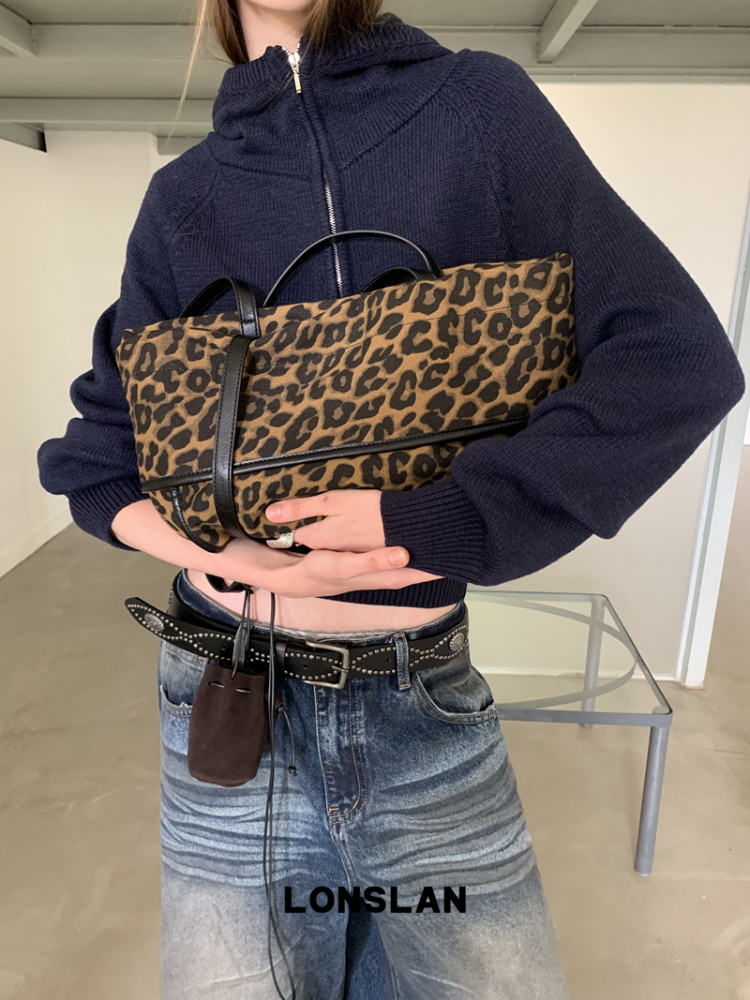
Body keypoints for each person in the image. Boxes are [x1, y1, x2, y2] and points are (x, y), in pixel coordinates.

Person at [37, 1, 745, 998]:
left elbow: (675, 361)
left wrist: (430, 518)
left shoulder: (478, 111)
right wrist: (229, 557)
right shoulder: (184, 197)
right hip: (226, 697)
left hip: (418, 704)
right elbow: (98, 460)